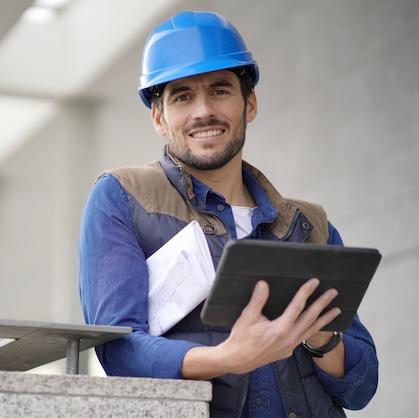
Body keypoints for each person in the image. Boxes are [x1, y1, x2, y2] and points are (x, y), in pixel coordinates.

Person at [78, 10, 379, 417]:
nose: (203, 111)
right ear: (158, 118)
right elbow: (118, 348)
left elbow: (361, 389)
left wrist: (321, 337)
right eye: (182, 96)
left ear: (248, 103)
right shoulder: (123, 197)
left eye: (220, 90)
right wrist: (226, 358)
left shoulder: (308, 225)